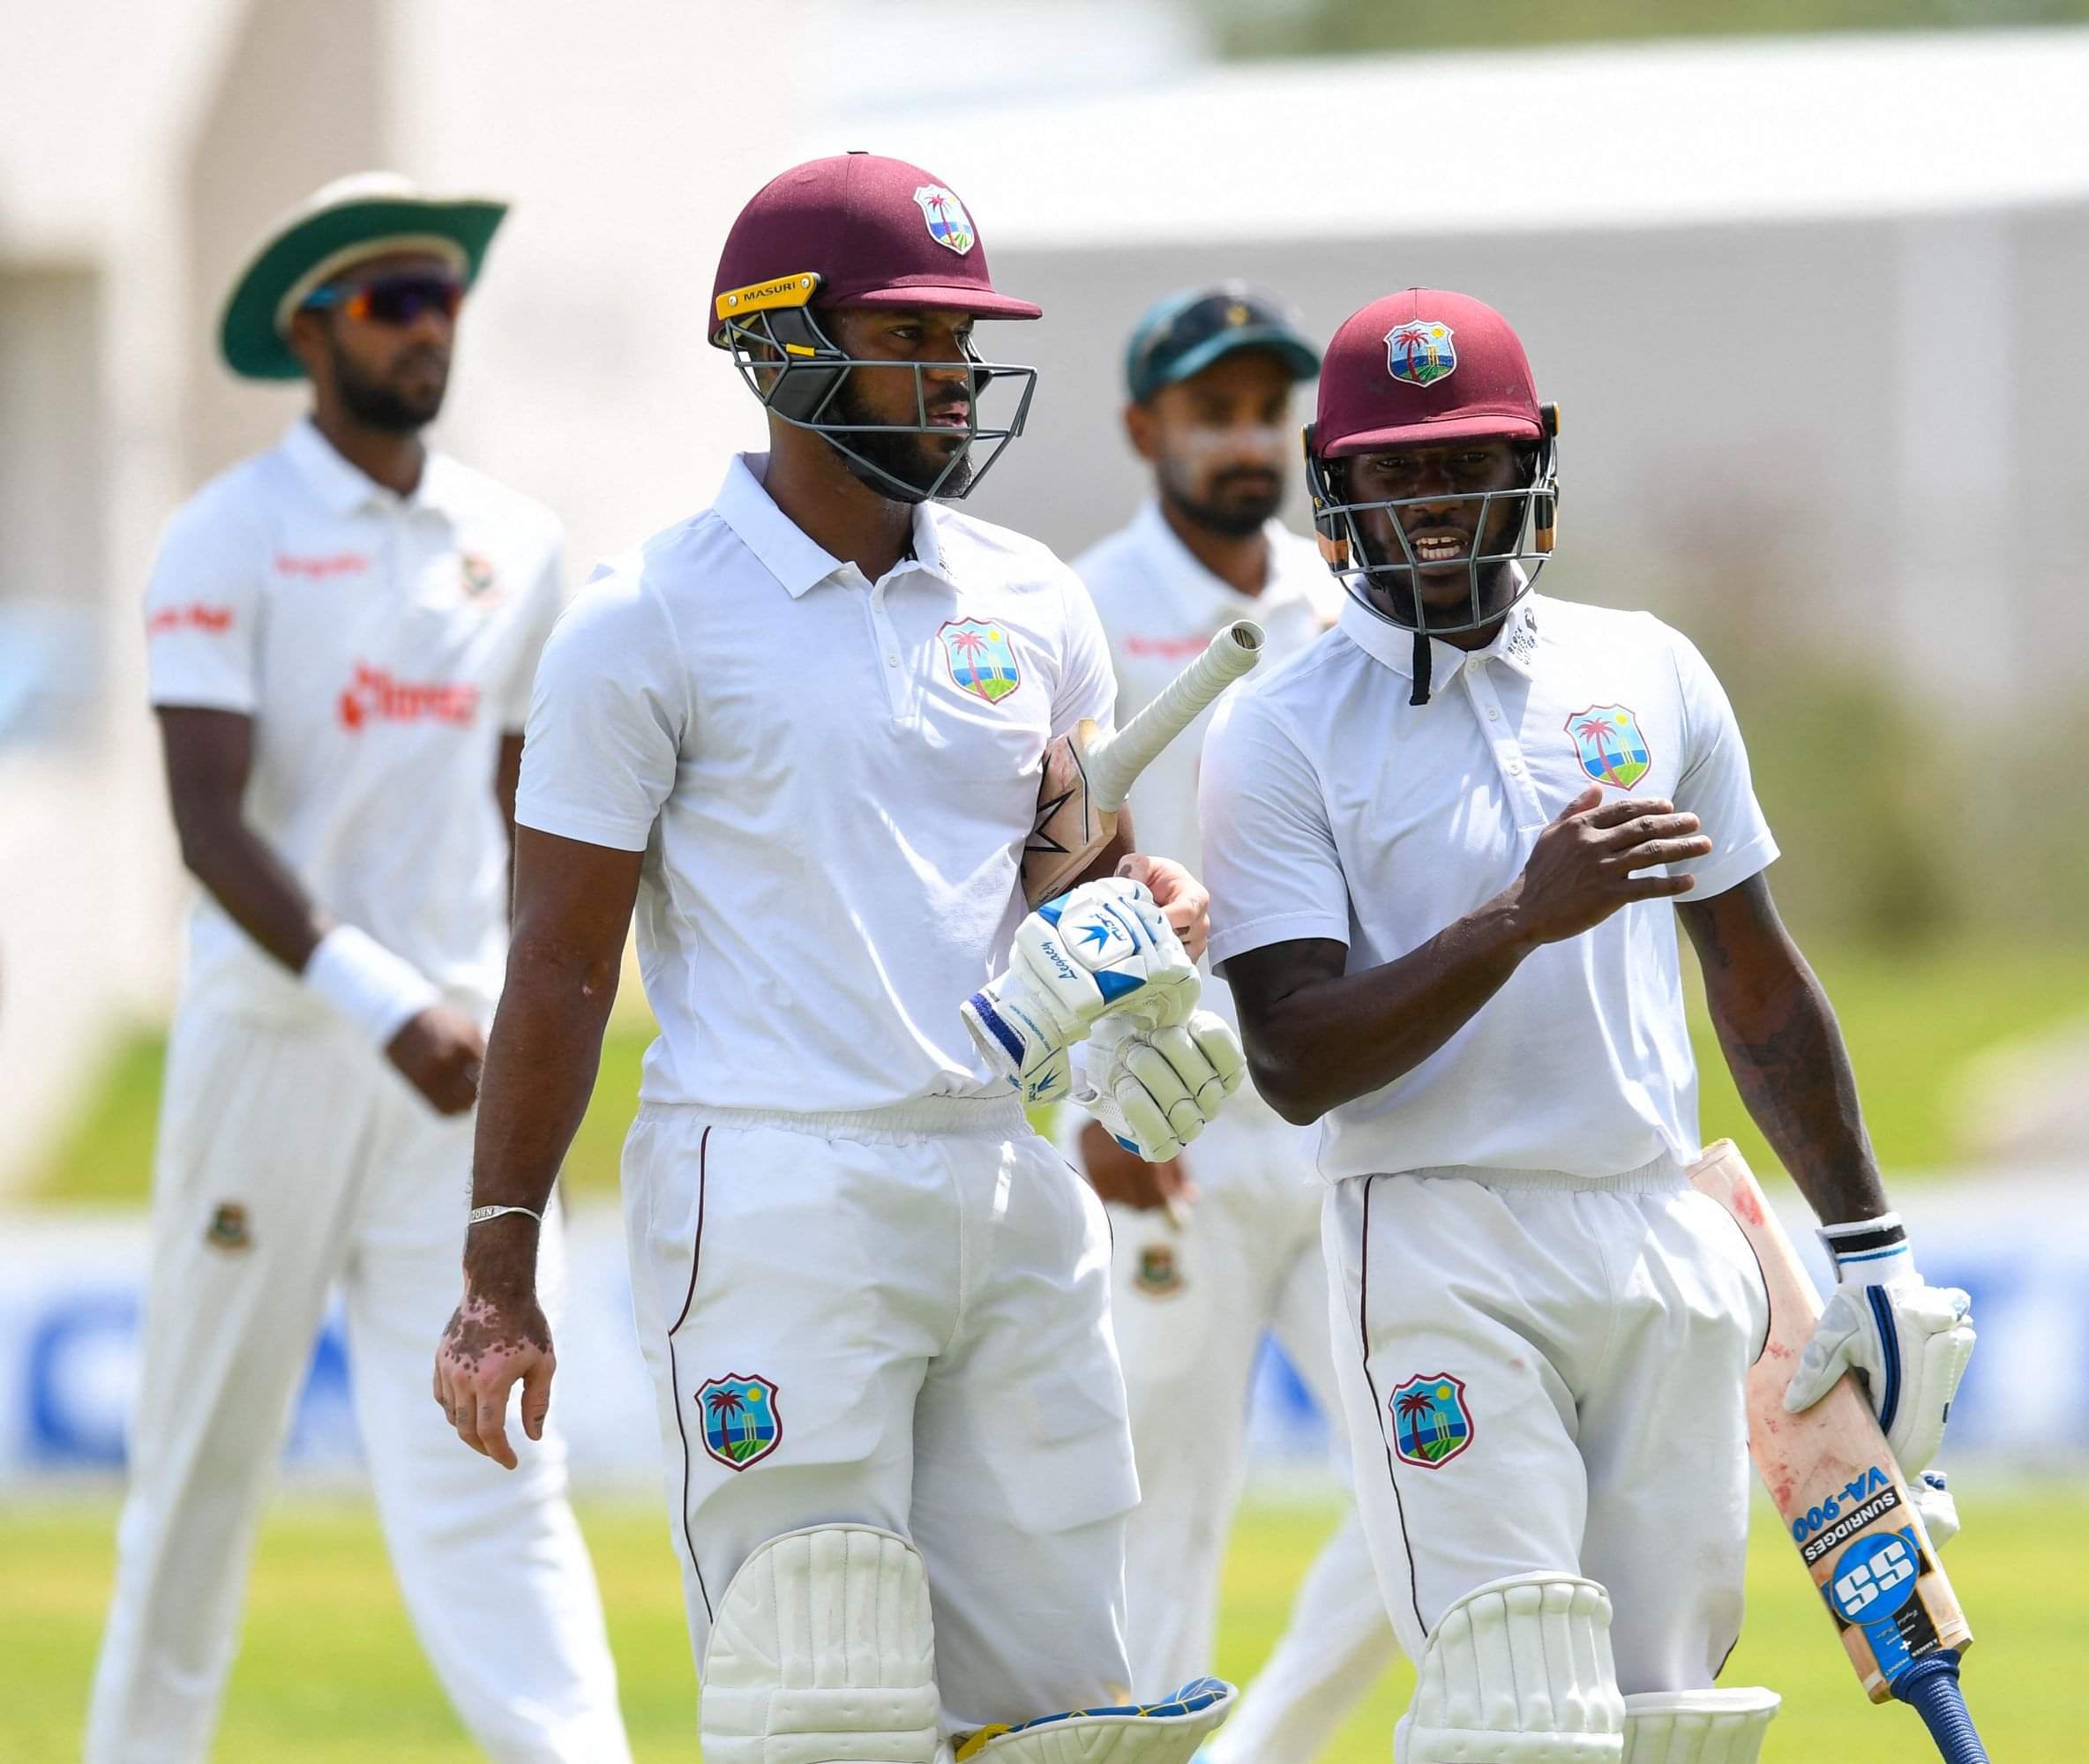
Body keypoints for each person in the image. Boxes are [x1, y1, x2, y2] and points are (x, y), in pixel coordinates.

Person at [428, 153, 1245, 1764]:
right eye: (915, 339)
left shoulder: (1031, 593)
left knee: (1063, 1702)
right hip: (772, 1185)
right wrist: (497, 1263)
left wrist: (1142, 893)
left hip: (1005, 1181)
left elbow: (1061, 874)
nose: (956, 378)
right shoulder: (644, 618)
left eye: (964, 342)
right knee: (826, 1691)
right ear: (785, 346)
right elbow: (562, 966)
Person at [1197, 288, 1980, 1761]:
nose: (1433, 504)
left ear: (1533, 463)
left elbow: (1752, 972)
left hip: (1649, 1227)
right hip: (1430, 1239)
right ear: (1337, 491)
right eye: (1394, 472)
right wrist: (1517, 918)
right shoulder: (1280, 731)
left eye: (1466, 465)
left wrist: (1869, 1244)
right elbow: (1297, 1061)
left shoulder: (1646, 667)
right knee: (1519, 1703)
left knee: (1670, 1716)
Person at [88, 173, 631, 1764]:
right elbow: (206, 825)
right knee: (197, 1478)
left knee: (494, 1467)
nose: (427, 328)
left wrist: (521, 1026)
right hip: (279, 1049)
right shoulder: (226, 533)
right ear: (311, 331)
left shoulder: (515, 544)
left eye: (443, 300)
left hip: (455, 1072)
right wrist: (381, 1002)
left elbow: (536, 823)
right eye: (393, 303)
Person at [1068, 284, 1398, 1763]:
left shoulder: (1347, 602)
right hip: (1172, 1121)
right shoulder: (1082, 605)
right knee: (1161, 1505)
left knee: (1431, 1473)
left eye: (1266, 408)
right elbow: (1059, 872)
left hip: (1336, 1110)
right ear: (1147, 427)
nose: (1245, 437)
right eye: (1212, 410)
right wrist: (1096, 1094)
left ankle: (1251, 1752)